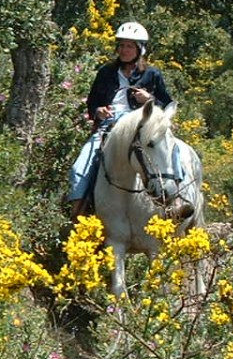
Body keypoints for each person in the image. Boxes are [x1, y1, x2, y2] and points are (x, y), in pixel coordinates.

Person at [67, 21, 176, 220]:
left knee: (171, 152)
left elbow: (167, 104)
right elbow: (92, 103)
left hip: (142, 128)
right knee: (79, 168)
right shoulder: (105, 72)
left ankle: (176, 203)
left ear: (139, 49)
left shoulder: (152, 74)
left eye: (129, 46)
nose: (124, 50)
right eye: (121, 45)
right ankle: (79, 217)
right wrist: (98, 111)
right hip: (108, 128)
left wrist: (149, 100)